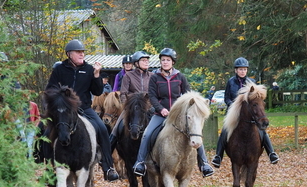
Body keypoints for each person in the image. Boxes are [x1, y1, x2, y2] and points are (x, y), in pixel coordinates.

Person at [132, 48, 214, 178]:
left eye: (168, 60)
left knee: (195, 133)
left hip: (178, 116)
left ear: (173, 62)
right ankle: (140, 162)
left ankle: (204, 164)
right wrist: (161, 109)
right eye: (163, 60)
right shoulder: (155, 77)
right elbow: (152, 96)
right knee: (147, 134)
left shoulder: (180, 77)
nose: (165, 62)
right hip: (160, 114)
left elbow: (188, 94)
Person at [46, 39, 119, 181]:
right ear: (69, 54)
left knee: (103, 130)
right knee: (46, 130)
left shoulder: (89, 69)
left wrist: (97, 75)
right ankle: (50, 171)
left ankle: (108, 167)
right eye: (78, 52)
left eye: (82, 52)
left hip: (84, 108)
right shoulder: (60, 69)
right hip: (64, 110)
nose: (81, 54)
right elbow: (50, 89)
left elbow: (97, 91)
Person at [211, 57, 279, 168]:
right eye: (240, 69)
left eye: (244, 69)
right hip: (234, 114)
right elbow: (226, 98)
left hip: (249, 114)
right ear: (236, 70)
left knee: (262, 131)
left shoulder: (252, 82)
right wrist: (233, 106)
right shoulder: (231, 82)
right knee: (224, 131)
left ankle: (271, 153)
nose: (243, 71)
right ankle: (218, 156)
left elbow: (257, 97)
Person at [109, 51, 152, 151]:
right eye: (143, 60)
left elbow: (155, 93)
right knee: (117, 127)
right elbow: (123, 93)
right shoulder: (128, 76)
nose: (146, 62)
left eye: (147, 60)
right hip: (132, 107)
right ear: (136, 63)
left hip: (148, 107)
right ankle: (108, 152)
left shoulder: (152, 76)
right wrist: (128, 105)